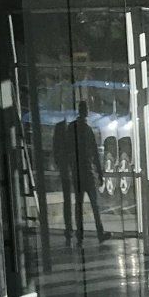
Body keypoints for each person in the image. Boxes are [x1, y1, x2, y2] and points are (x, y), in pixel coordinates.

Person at [56, 100, 109, 243]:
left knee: (78, 206)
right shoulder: (87, 129)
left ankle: (80, 235)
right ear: (85, 112)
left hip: (76, 173)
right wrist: (100, 173)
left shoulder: (72, 128)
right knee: (94, 205)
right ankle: (100, 232)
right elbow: (95, 155)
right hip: (87, 172)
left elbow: (66, 150)